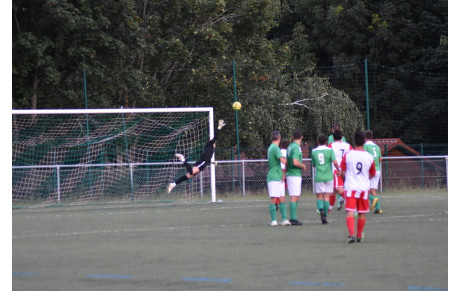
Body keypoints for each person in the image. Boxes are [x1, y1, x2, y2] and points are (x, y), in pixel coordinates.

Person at [168, 119, 226, 193]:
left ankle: (173, 184)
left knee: (187, 176)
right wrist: (219, 127)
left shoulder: (210, 149)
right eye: (214, 142)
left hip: (202, 162)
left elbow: (208, 159)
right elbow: (215, 136)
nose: (215, 143)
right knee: (191, 173)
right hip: (202, 162)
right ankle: (183, 159)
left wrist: (212, 162)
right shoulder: (210, 145)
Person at [340, 130, 376, 243]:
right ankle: (359, 235)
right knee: (361, 213)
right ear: (364, 141)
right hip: (364, 188)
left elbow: (342, 172)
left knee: (350, 212)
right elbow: (372, 173)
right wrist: (365, 178)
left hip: (350, 187)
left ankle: (351, 235)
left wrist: (348, 178)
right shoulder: (369, 157)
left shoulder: (348, 155)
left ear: (354, 141)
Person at [311, 133, 341, 224]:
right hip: (329, 176)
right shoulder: (330, 150)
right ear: (326, 141)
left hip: (319, 176)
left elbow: (314, 165)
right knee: (327, 196)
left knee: (319, 196)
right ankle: (325, 216)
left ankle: (321, 211)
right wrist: (339, 169)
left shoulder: (314, 151)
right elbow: (335, 162)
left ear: (317, 141)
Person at [267, 131, 290, 226]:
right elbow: (283, 160)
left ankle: (284, 220)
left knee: (282, 198)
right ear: (279, 139)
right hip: (274, 176)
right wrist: (292, 161)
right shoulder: (275, 148)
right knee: (274, 198)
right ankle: (274, 220)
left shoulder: (272, 148)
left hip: (278, 175)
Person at [286, 130, 307, 225]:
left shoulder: (290, 146)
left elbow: (287, 162)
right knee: (294, 197)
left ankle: (293, 218)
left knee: (296, 196)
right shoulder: (296, 147)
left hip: (291, 173)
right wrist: (303, 165)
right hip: (294, 174)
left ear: (292, 136)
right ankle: (293, 219)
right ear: (302, 137)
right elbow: (295, 162)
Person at [328, 129, 352, 213]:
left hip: (337, 170)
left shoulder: (331, 145)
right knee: (333, 191)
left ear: (333, 137)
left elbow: (328, 156)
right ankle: (328, 209)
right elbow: (351, 156)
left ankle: (353, 205)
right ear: (342, 137)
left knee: (339, 190)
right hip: (346, 170)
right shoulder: (348, 145)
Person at [364, 130, 383, 214]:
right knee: (373, 191)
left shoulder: (365, 146)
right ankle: (378, 208)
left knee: (363, 190)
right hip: (377, 170)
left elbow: (363, 157)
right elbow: (380, 159)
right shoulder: (377, 147)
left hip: (369, 171)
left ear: (364, 137)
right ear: (372, 137)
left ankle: (373, 201)